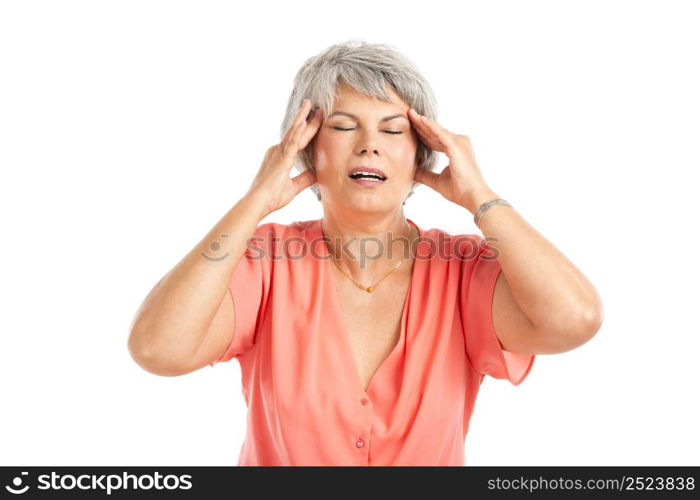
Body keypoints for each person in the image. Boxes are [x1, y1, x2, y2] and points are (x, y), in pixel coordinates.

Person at [127, 40, 604, 466]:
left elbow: (575, 318)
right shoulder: (265, 260)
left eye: (393, 131)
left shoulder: (462, 268)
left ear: (421, 155)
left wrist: (479, 196)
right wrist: (255, 202)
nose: (370, 146)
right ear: (309, 150)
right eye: (343, 126)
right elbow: (157, 349)